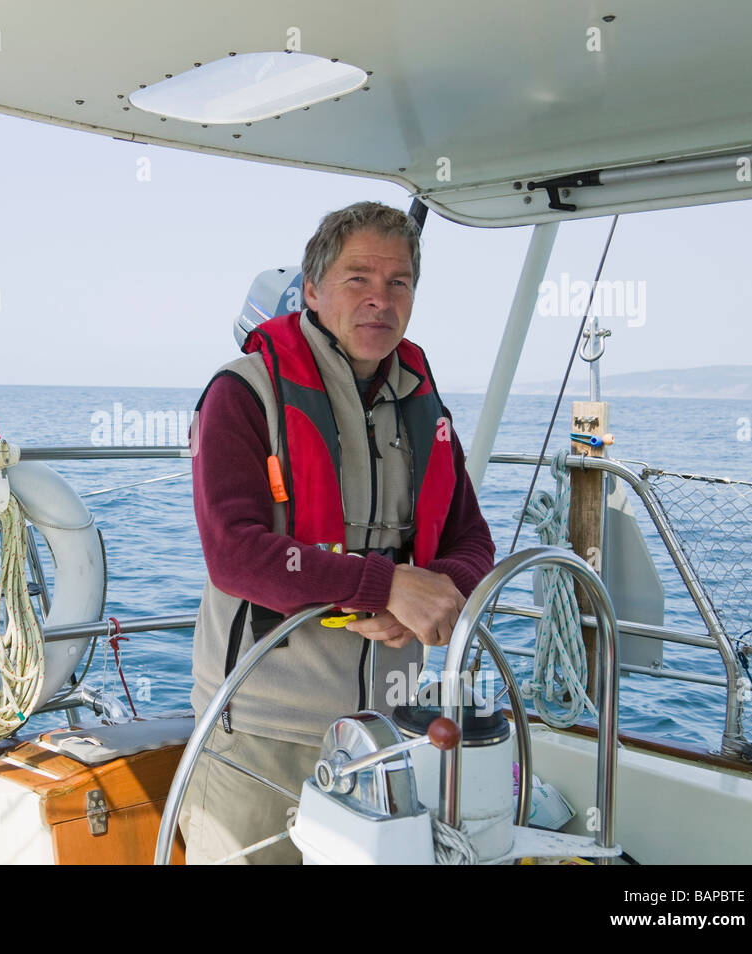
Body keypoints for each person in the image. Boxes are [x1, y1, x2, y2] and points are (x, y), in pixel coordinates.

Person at [180, 201, 496, 864]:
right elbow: (233, 554)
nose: (380, 299)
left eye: (398, 282)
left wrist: (432, 594)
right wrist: (384, 588)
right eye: (359, 279)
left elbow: (473, 541)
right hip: (262, 729)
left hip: (386, 730)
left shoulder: (423, 406)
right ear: (314, 289)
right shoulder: (242, 395)